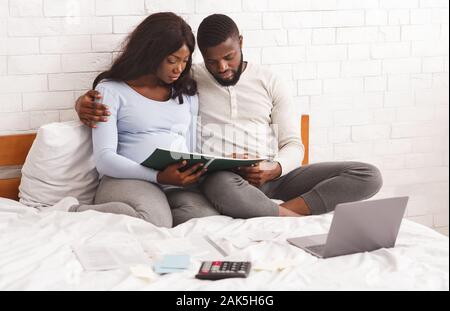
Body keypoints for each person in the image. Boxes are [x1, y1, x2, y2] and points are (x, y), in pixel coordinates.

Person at [75, 14, 383, 225]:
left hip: (253, 177)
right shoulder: (182, 80)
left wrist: (272, 167)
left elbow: (290, 143)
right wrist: (82, 103)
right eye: (211, 61)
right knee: (182, 209)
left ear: (241, 44)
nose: (221, 67)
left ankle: (282, 213)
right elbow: (107, 151)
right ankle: (286, 221)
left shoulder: (199, 85)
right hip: (200, 179)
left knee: (367, 174)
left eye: (229, 57)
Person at [50, 12, 214, 228]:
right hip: (124, 179)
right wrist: (159, 177)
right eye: (171, 60)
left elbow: (190, 146)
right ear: (151, 53)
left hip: (172, 181)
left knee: (204, 219)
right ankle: (72, 211)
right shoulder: (111, 90)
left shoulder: (186, 93)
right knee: (154, 220)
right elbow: (105, 159)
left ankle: (141, 213)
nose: (179, 69)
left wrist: (193, 172)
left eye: (185, 61)